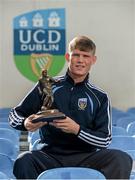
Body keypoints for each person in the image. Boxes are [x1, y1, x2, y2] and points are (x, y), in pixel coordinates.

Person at [9, 36, 132, 179]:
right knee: (24, 160)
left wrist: (76, 129)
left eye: (86, 56)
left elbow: (104, 140)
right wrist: (25, 123)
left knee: (121, 159)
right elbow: (14, 115)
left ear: (93, 60)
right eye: (76, 55)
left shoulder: (100, 96)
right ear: (68, 57)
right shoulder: (48, 86)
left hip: (87, 158)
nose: (80, 60)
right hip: (49, 156)